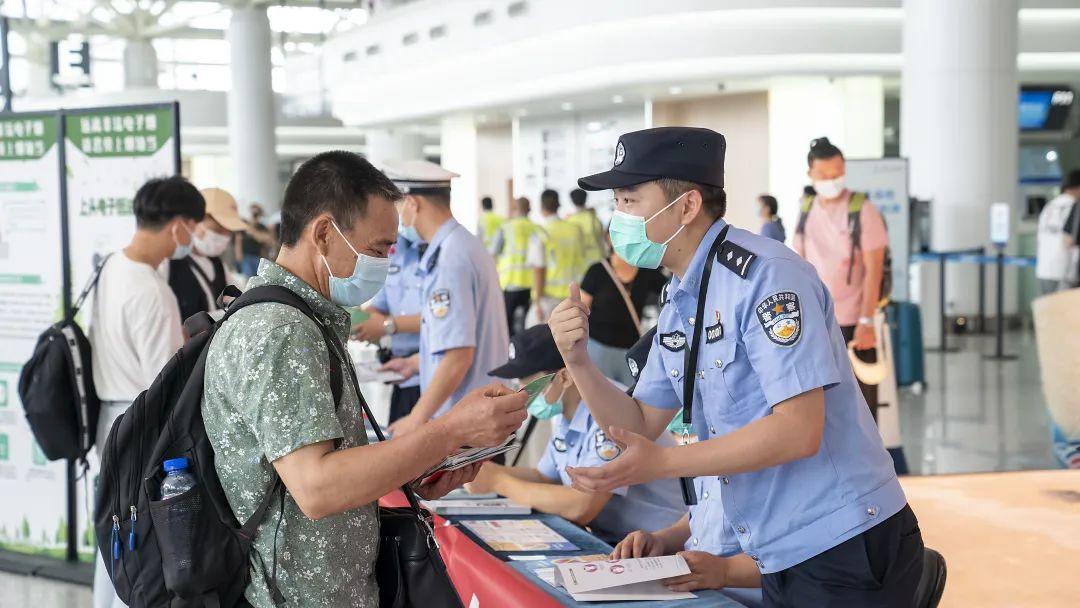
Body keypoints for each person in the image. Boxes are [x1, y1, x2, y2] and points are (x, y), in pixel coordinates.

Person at [549, 127, 924, 607]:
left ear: (685, 206)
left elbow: (798, 431)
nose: (616, 219)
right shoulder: (681, 299)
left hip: (842, 541)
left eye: (628, 200)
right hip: (777, 550)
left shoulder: (766, 278)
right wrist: (577, 360)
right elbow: (639, 423)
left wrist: (662, 462)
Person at [201, 151, 528, 608]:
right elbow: (316, 487)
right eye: (377, 249)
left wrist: (416, 467)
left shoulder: (303, 320)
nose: (384, 264)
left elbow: (322, 470)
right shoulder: (281, 330)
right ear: (322, 233)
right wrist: (449, 429)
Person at [89, 175, 205, 608]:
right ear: (178, 226)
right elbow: (166, 385)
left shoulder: (111, 268)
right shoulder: (153, 291)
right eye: (192, 227)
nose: (191, 238)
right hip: (141, 426)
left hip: (109, 420)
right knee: (138, 544)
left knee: (112, 537)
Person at [464, 324, 686, 544]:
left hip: (663, 545)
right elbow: (547, 477)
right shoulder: (566, 409)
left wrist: (498, 482)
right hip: (619, 541)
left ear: (564, 378)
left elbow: (583, 505)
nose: (520, 392)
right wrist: (481, 471)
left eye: (527, 383)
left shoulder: (609, 412)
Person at [379, 160, 511, 438]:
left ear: (412, 204)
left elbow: (459, 355)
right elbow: (459, 333)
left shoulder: (449, 260)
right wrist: (416, 362)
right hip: (479, 411)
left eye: (397, 207)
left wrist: (416, 420)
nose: (397, 218)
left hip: (468, 418)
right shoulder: (463, 245)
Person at [793, 137, 888, 421]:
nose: (832, 180)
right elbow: (798, 262)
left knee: (862, 404)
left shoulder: (862, 210)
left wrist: (867, 321)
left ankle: (868, 462)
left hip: (854, 321)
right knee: (823, 402)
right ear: (811, 174)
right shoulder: (807, 208)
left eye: (838, 174)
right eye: (824, 176)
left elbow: (874, 270)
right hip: (817, 319)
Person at [353, 224, 425, 424]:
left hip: (430, 367)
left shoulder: (440, 253)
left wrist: (387, 325)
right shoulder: (396, 251)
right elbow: (382, 304)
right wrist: (361, 322)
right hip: (401, 371)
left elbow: (441, 316)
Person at [579, 246, 666, 385]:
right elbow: (581, 310)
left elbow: (671, 290)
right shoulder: (597, 270)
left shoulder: (648, 271)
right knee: (600, 397)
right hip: (598, 347)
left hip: (631, 350)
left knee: (630, 397)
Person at [161, 187, 247, 322]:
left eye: (228, 231)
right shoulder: (168, 264)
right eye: (218, 229)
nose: (224, 237)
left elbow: (239, 298)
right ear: (194, 222)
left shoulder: (217, 264)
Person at [525, 189, 586, 327]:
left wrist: (537, 302)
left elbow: (539, 270)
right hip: (574, 297)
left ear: (541, 207)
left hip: (549, 300)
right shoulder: (576, 230)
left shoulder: (541, 233)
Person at [494, 196, 545, 336]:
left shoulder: (505, 227)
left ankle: (510, 352)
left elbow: (494, 252)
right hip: (531, 284)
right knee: (527, 324)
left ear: (514, 209)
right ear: (529, 209)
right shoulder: (537, 228)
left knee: (506, 323)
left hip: (510, 283)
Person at [566, 187, 606, 266]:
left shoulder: (570, 221)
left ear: (572, 201)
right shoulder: (594, 218)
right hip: (598, 259)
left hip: (580, 262)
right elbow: (602, 239)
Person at [1054, 169, 1080, 290]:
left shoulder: (1052, 204)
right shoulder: (1074, 204)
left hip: (1060, 268)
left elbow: (1068, 239)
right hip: (1066, 268)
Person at [236, 202, 275, 277]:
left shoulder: (261, 226)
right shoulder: (244, 226)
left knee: (258, 279)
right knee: (247, 279)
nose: (253, 215)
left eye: (256, 213)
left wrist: (253, 230)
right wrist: (238, 256)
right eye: (252, 213)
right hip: (246, 257)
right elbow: (238, 241)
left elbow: (266, 240)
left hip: (258, 256)